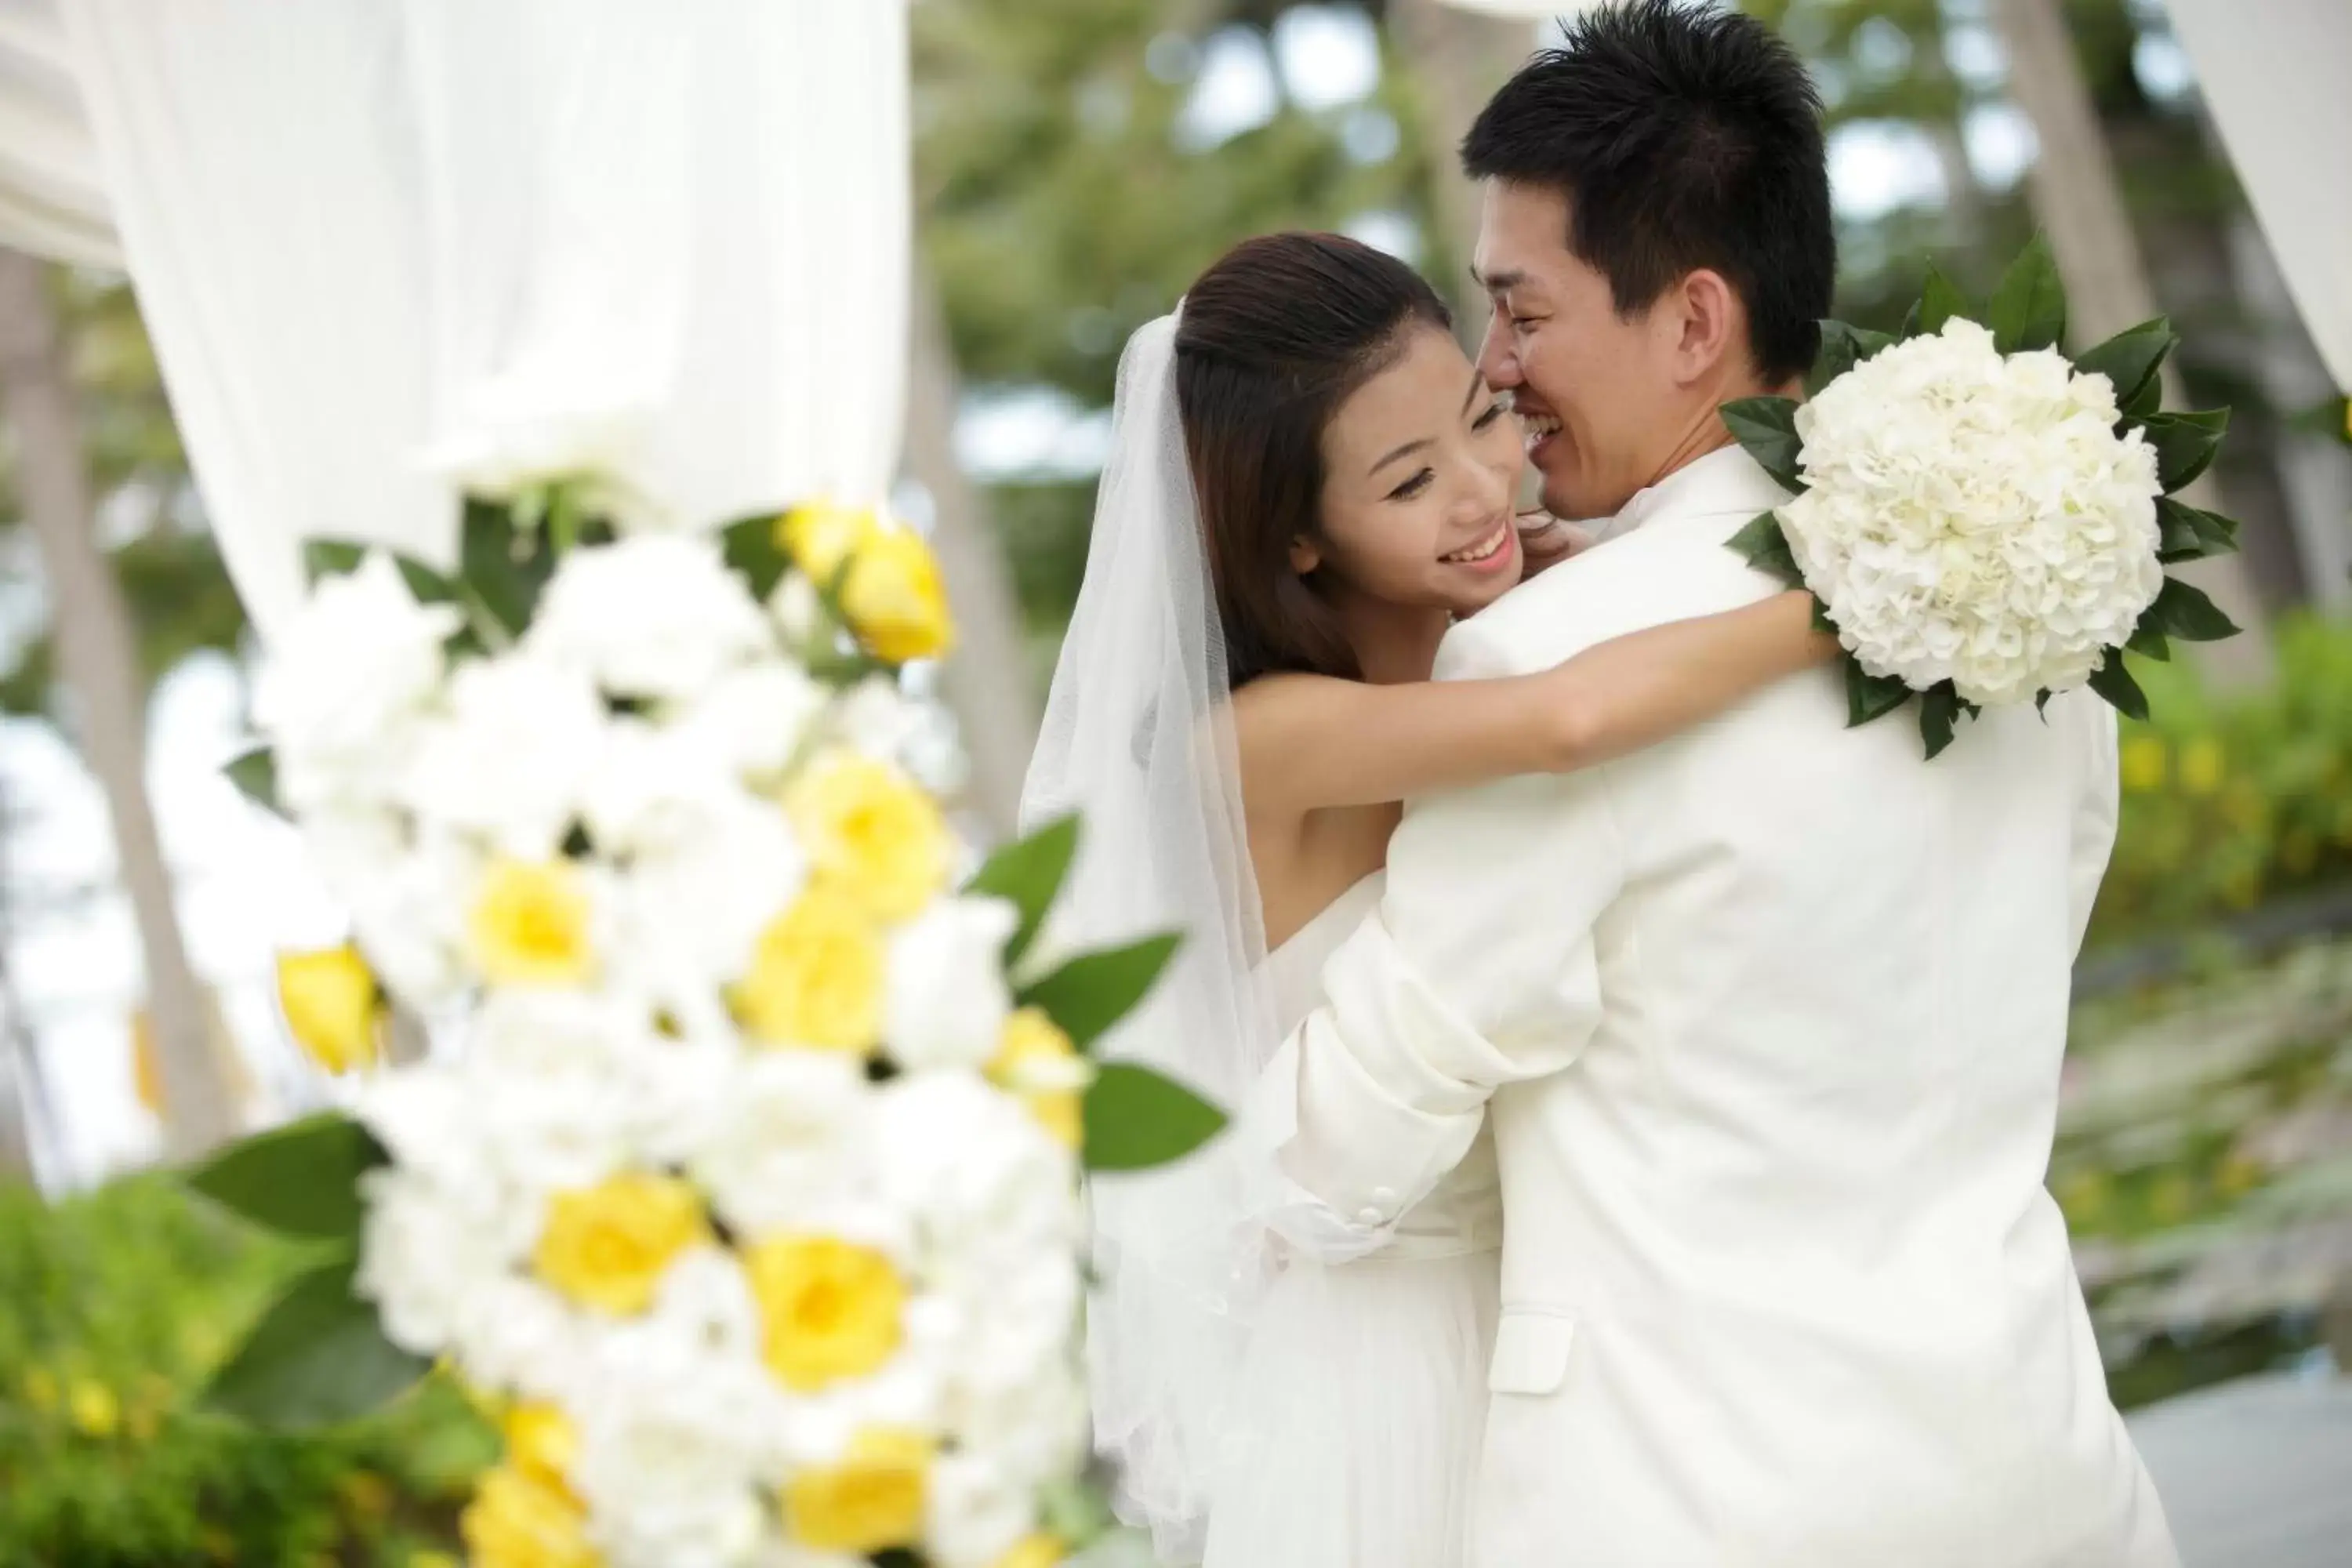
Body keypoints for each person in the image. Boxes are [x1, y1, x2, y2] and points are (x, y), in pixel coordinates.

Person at [1251, 4, 2179, 1563]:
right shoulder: (2041, 598)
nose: (1496, 369)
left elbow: (1351, 1146)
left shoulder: (1546, 656)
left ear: (1691, 323)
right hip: (2046, 1468)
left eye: (1523, 313)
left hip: (1689, 1498)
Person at [1020, 227, 1826, 1568]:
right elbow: (1568, 722)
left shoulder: (1491, 626)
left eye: (1480, 420)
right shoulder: (1256, 739)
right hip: (1386, 1365)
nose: (1478, 491)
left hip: (1567, 1333)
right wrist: (1868, 601)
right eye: (1408, 482)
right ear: (1293, 537)